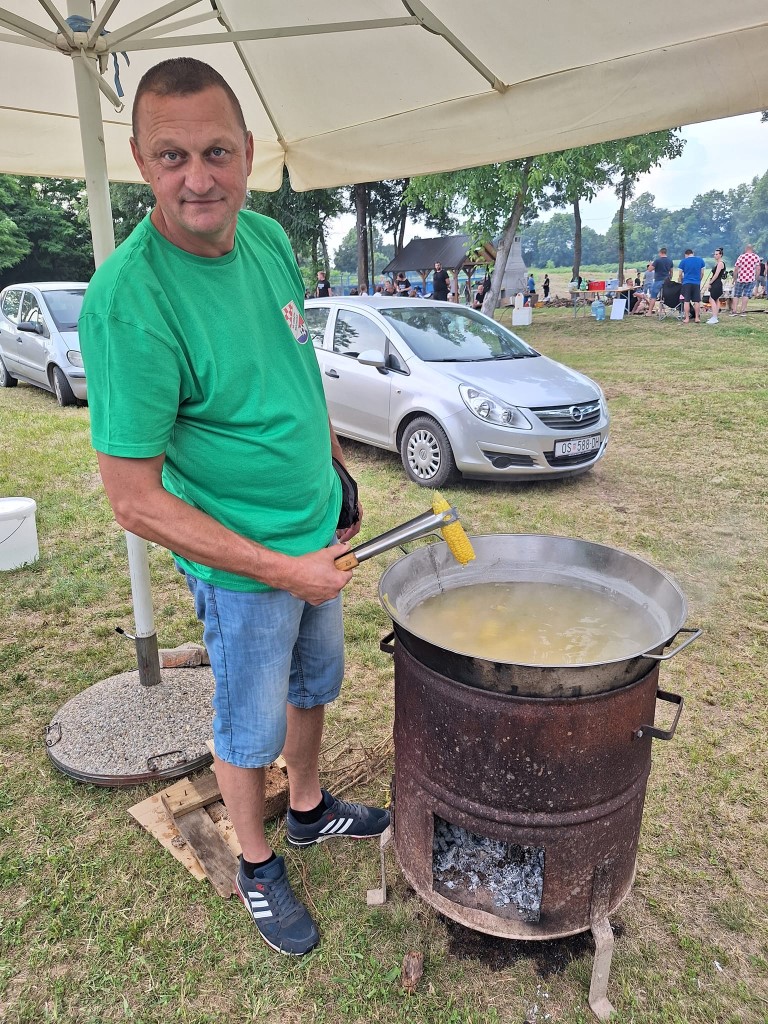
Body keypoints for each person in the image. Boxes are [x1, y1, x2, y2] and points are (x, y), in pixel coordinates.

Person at [78, 58, 388, 958]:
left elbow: (297, 369)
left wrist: (337, 474)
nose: (198, 178)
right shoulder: (129, 303)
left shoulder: (266, 239)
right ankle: (256, 862)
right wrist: (281, 569)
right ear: (142, 160)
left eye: (216, 151)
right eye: (172, 156)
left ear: (249, 152)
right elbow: (133, 500)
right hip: (245, 565)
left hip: (315, 538)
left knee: (314, 686)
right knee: (248, 728)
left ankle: (308, 807)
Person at [730, 243, 761, 316]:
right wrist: (756, 278)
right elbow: (758, 269)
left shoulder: (741, 257)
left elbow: (736, 269)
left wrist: (735, 278)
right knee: (746, 295)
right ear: (752, 249)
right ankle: (743, 311)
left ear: (745, 249)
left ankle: (734, 311)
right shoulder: (756, 257)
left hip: (740, 278)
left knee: (736, 295)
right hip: (750, 279)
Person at [677, 248, 705, 323]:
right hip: (696, 283)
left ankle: (687, 318)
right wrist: (699, 280)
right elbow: (702, 273)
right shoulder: (700, 260)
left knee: (686, 301)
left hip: (686, 283)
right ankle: (697, 318)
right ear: (693, 253)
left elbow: (680, 274)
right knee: (697, 301)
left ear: (686, 254)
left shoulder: (683, 261)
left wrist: (681, 280)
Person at [645, 246, 674, 316]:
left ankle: (649, 312)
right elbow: (671, 272)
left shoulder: (657, 261)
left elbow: (650, 269)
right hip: (666, 281)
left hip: (658, 280)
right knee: (663, 296)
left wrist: (650, 264)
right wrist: (670, 278)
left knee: (653, 296)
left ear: (660, 253)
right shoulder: (670, 261)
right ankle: (660, 311)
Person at [705, 248, 727, 324]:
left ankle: (714, 317)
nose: (715, 255)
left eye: (717, 254)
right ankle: (715, 316)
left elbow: (716, 275)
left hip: (716, 283)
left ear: (721, 255)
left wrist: (710, 283)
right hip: (716, 282)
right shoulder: (717, 263)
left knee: (711, 299)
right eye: (714, 254)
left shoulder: (720, 263)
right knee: (716, 300)